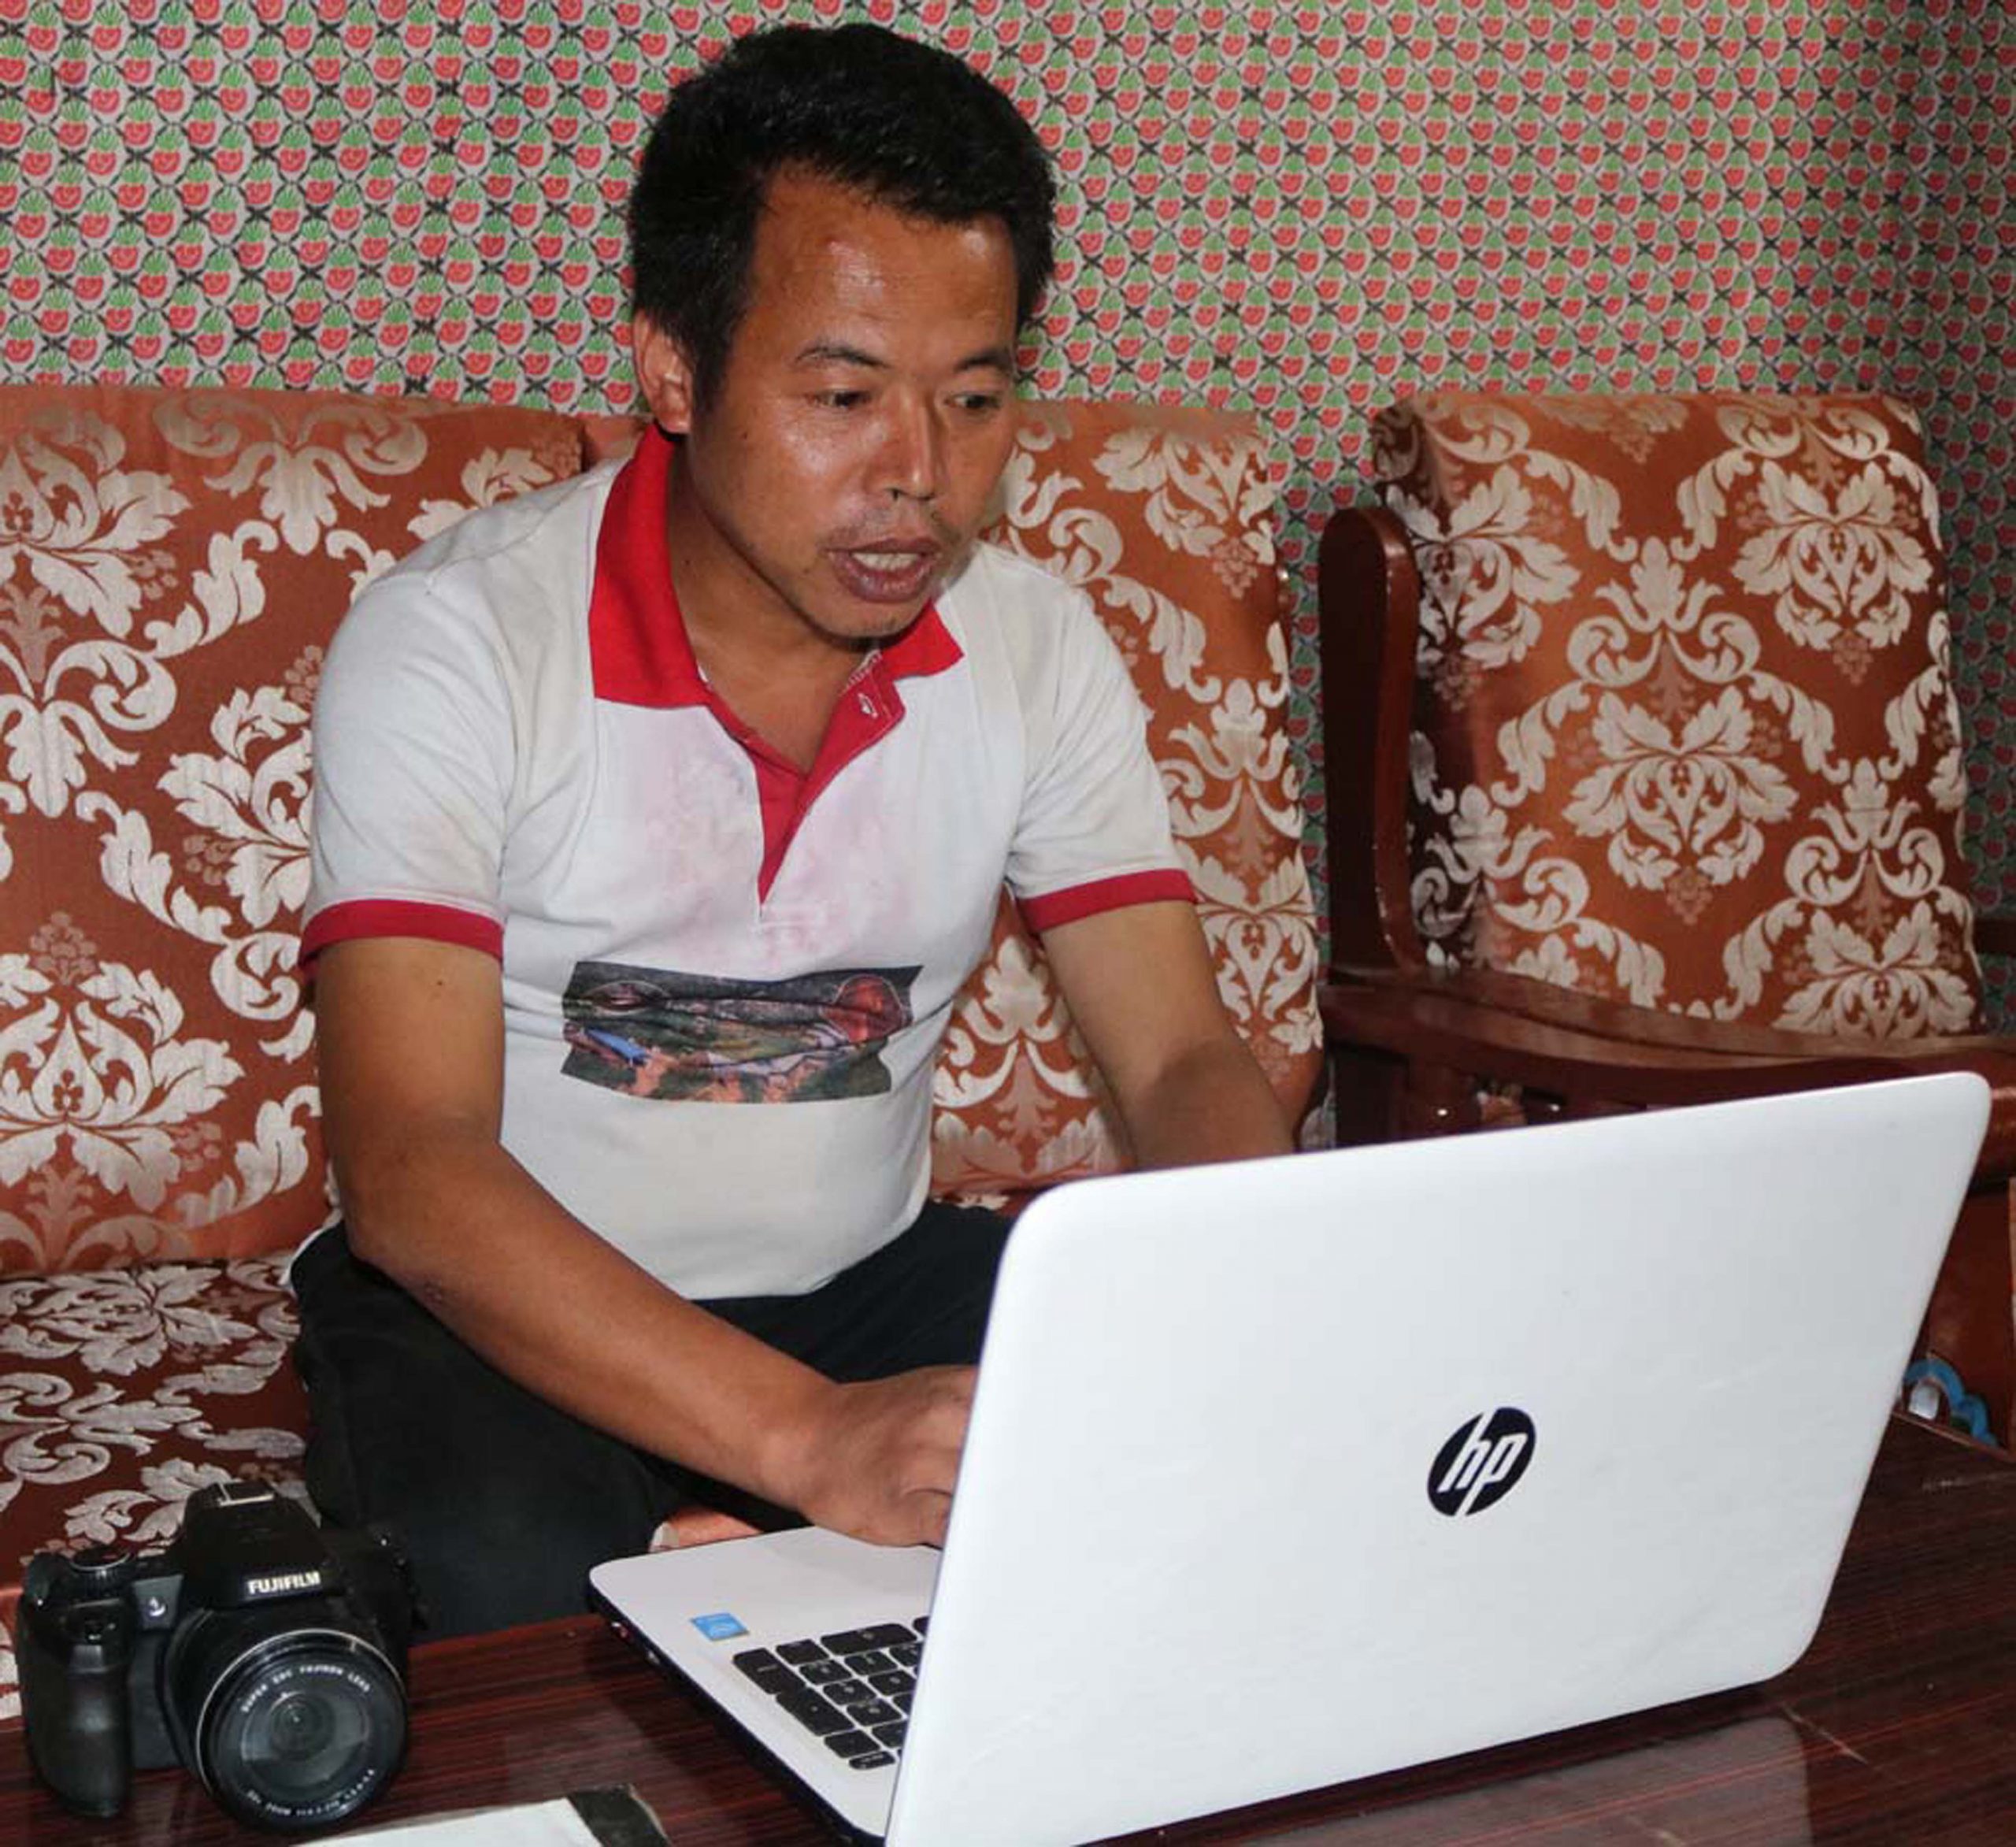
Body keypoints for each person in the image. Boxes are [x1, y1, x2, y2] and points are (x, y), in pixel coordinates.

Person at [294, 21, 1292, 1639]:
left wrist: (1273, 1294)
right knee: (499, 1573)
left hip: (863, 1280)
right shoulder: (460, 638)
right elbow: (412, 1170)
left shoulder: (1033, 648)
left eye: (977, 398)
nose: (920, 476)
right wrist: (806, 1441)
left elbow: (1178, 1055)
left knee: (1228, 1460)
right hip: (509, 1305)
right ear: (672, 371)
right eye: (842, 394)